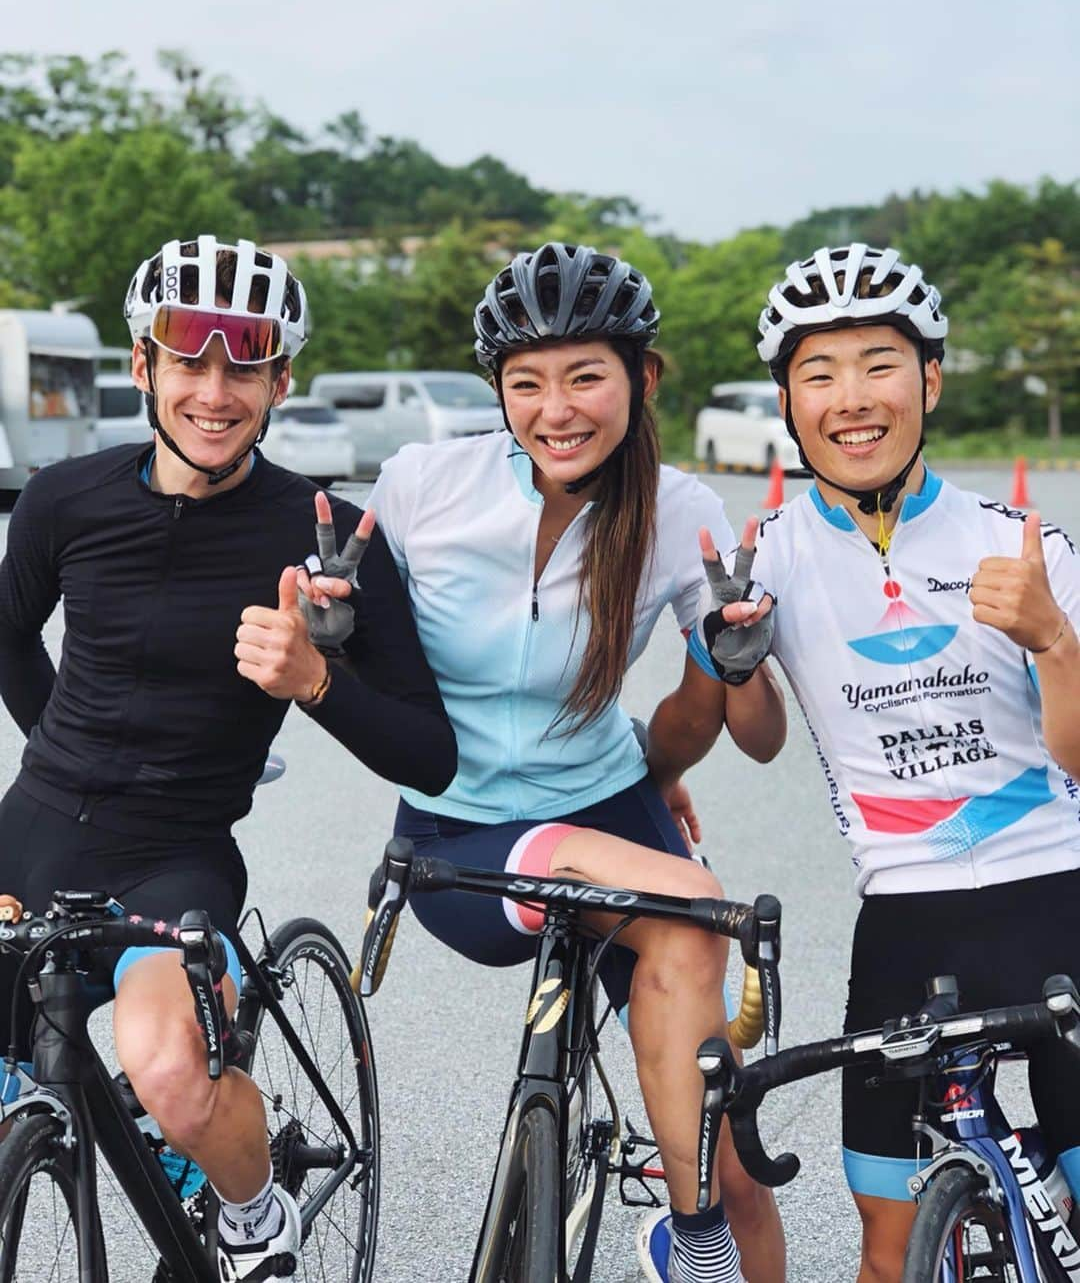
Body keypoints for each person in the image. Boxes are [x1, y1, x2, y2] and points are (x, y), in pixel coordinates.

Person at [0, 235, 456, 1280]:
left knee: (169, 1074)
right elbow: (8, 634)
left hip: (174, 856)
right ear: (142, 364)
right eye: (188, 360)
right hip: (28, 830)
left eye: (242, 364)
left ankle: (253, 1211)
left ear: (280, 378)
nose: (214, 391)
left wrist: (315, 682)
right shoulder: (64, 500)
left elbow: (429, 756)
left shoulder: (328, 536)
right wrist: (62, 748)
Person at [368, 241, 788, 1283]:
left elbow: (761, 734)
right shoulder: (423, 486)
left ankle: (697, 1238)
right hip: (464, 830)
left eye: (586, 376)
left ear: (641, 378)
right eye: (526, 383)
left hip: (614, 817)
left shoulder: (682, 510)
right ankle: (693, 1237)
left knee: (734, 1168)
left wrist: (730, 665)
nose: (557, 409)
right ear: (498, 391)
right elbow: (365, 672)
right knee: (695, 899)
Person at [690, 243, 1080, 1282]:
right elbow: (762, 738)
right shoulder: (767, 554)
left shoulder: (1021, 544)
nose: (851, 398)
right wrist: (736, 669)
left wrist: (1054, 640)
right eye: (819, 373)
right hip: (905, 911)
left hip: (1058, 894)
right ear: (788, 401)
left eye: (879, 364)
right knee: (887, 1248)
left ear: (930, 382)